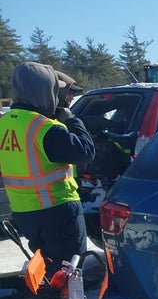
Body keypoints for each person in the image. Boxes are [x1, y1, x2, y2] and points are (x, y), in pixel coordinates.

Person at [0, 62, 95, 275]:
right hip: (58, 210)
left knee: (48, 269)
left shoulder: (4, 123)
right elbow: (85, 151)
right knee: (70, 273)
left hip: (25, 213)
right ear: (45, 91)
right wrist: (72, 120)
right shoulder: (43, 128)